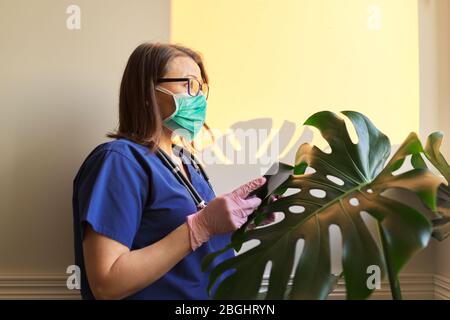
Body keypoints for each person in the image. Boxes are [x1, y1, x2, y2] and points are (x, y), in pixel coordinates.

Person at [72, 42, 270, 300]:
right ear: (147, 92)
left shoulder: (186, 161)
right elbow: (106, 282)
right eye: (188, 84)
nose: (198, 97)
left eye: (201, 88)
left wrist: (241, 219)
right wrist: (200, 226)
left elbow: (198, 246)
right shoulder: (119, 161)